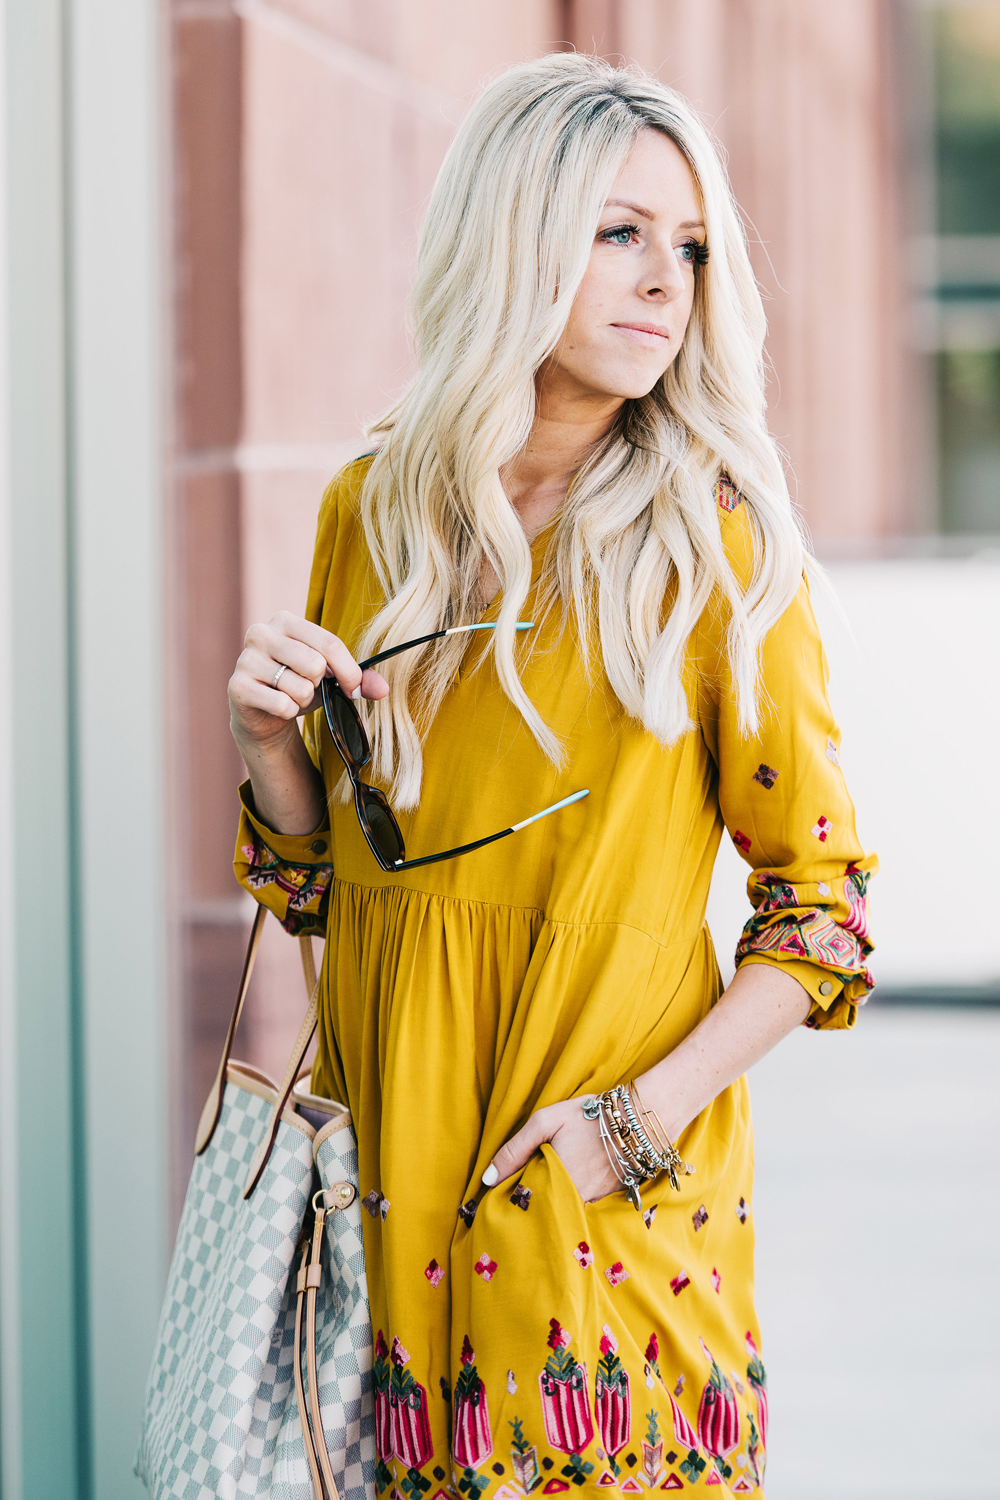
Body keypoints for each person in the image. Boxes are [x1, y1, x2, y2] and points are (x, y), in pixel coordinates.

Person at [227, 53, 875, 1499]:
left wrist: (627, 1129)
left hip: (605, 1215)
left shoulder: (714, 544)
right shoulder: (375, 512)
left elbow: (823, 914)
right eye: (618, 232)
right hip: (392, 1200)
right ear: (512, 237)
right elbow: (333, 894)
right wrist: (272, 754)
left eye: (688, 247)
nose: (664, 282)